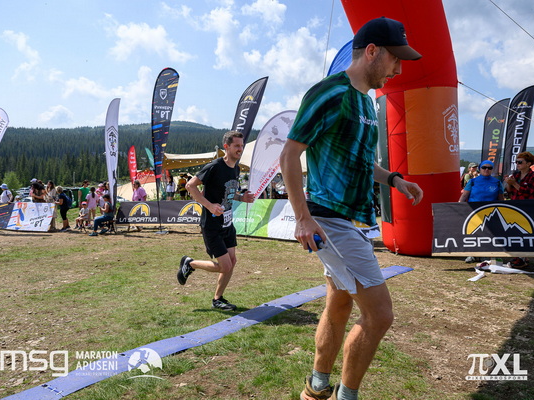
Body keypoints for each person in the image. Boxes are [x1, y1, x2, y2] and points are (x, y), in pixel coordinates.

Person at [279, 17, 424, 400]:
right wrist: (303, 218)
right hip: (330, 220)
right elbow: (289, 154)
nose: (399, 69)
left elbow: (360, 161)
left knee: (340, 302)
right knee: (380, 315)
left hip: (356, 222)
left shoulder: (365, 101)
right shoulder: (329, 92)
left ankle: (316, 387)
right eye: (395, 59)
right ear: (372, 51)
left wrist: (394, 180)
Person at [177, 131, 255, 311]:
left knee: (232, 262)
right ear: (226, 147)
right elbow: (190, 186)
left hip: (227, 223)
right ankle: (190, 263)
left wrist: (241, 198)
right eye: (236, 146)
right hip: (212, 225)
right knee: (225, 266)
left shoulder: (236, 168)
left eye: (242, 146)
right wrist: (210, 206)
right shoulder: (214, 166)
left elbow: (228, 192)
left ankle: (217, 299)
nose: (240, 149)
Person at [504, 151, 534, 269]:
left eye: (520, 162)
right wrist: (508, 183)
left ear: (528, 163)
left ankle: (526, 258)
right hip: (516, 207)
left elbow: (528, 193)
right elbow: (509, 191)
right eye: (516, 162)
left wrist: (514, 184)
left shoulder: (533, 176)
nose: (517, 164)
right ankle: (520, 257)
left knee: (527, 232)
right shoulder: (516, 175)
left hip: (528, 208)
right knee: (516, 232)